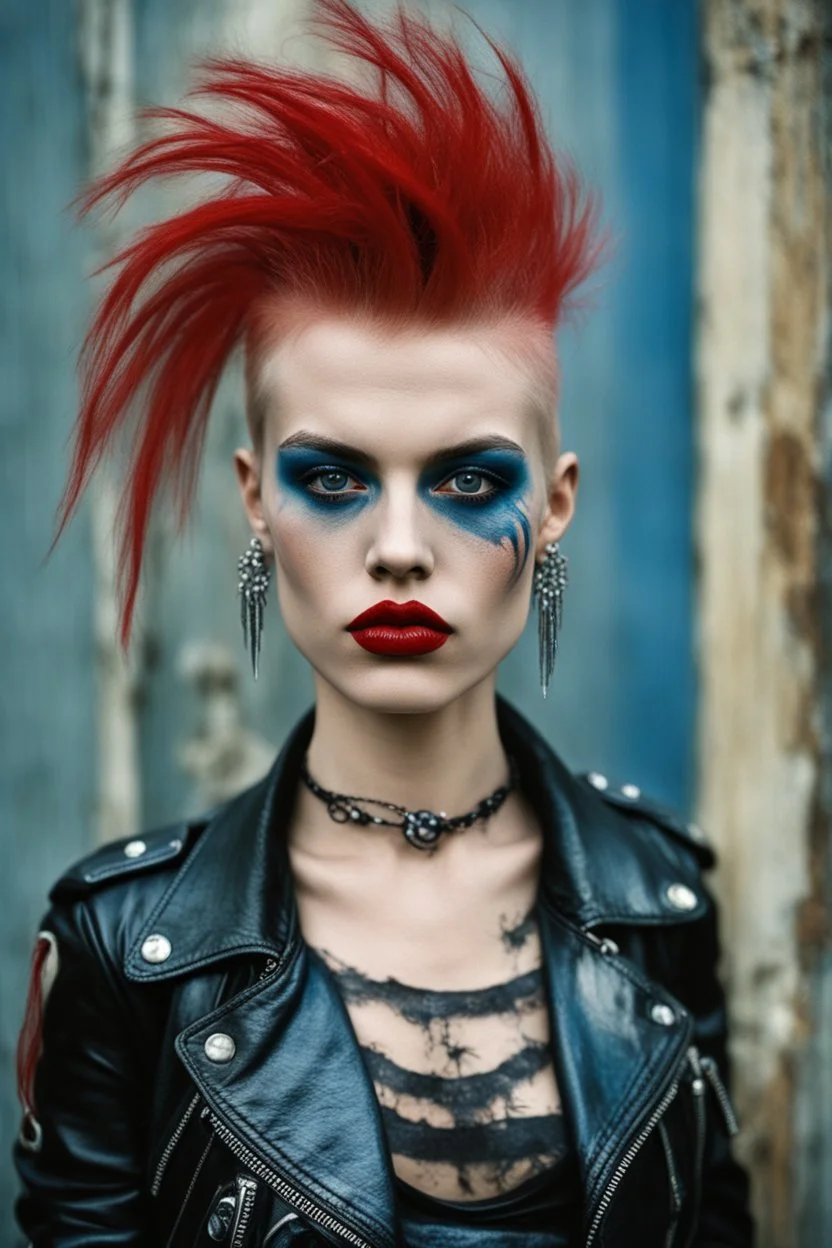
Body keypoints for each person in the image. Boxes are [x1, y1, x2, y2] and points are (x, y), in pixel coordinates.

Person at [12, 1, 754, 1244]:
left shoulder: (660, 903)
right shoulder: (128, 947)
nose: (400, 546)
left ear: (556, 504)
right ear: (254, 497)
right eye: (334, 477)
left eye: (469, 481)